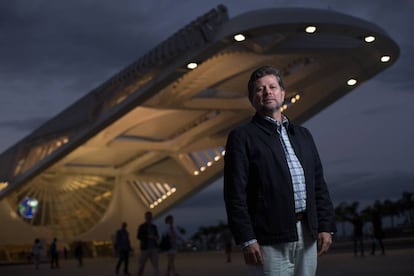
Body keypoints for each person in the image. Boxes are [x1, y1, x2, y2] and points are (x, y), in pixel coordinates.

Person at [223, 65, 336, 276]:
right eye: (259, 89)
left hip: (307, 234)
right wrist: (247, 239)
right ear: (251, 99)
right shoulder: (242, 137)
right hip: (269, 239)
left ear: (282, 93)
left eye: (272, 87)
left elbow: (319, 185)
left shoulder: (303, 135)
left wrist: (326, 226)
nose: (267, 92)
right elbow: (234, 194)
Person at [137, 211, 160, 276]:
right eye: (147, 217)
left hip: (153, 248)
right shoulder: (142, 227)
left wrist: (156, 237)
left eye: (150, 217)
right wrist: (148, 236)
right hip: (145, 248)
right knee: (141, 265)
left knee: (155, 265)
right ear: (145, 217)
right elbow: (138, 236)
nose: (149, 218)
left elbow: (157, 236)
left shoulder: (154, 227)